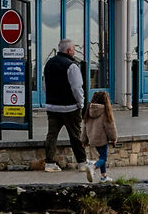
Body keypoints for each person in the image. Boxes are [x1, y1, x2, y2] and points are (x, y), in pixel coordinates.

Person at [40, 38, 89, 175]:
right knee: (75, 135)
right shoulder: (72, 66)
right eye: (73, 49)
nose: (74, 51)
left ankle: (49, 163)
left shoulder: (48, 64)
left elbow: (44, 85)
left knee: (51, 135)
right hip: (70, 107)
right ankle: (82, 163)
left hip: (52, 107)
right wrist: (81, 103)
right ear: (69, 50)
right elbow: (76, 88)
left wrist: (50, 98)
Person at [80, 86, 117, 181]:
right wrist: (113, 138)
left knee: (101, 157)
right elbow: (110, 127)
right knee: (103, 158)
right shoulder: (105, 112)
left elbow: (84, 126)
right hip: (102, 139)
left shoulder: (89, 111)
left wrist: (84, 140)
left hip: (92, 139)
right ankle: (93, 167)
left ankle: (103, 176)